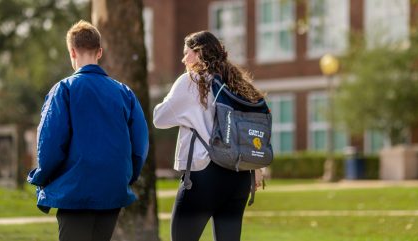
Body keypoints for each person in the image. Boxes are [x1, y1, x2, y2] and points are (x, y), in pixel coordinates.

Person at [27, 20, 149, 241]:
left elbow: (50, 143)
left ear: (72, 51)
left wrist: (41, 176)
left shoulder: (64, 90)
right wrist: (126, 177)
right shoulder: (124, 93)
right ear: (100, 52)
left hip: (75, 190)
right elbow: (139, 144)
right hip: (112, 188)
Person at [153, 31, 265, 241]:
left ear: (199, 54)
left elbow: (159, 118)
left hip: (204, 175)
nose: (183, 59)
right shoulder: (238, 84)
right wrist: (257, 168)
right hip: (239, 177)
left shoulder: (192, 81)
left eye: (187, 53)